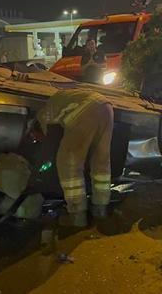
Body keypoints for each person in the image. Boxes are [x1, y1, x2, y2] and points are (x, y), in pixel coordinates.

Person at [35, 89, 114, 227]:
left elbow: (49, 140)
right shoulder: (64, 97)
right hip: (106, 107)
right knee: (100, 160)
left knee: (68, 162)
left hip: (85, 110)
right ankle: (100, 209)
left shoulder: (42, 114)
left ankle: (77, 216)